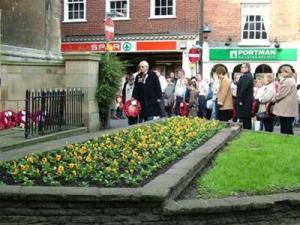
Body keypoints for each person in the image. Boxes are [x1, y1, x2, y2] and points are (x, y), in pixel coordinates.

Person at [272, 66, 298, 134]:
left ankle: (285, 140)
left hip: (285, 108)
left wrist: (274, 99)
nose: (281, 74)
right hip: (287, 108)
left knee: (285, 126)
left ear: (286, 72)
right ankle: (289, 139)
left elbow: (282, 94)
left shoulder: (288, 81)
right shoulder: (291, 80)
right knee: (288, 125)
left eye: (282, 72)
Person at [237, 63, 254, 129]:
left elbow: (243, 89)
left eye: (242, 67)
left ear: (247, 68)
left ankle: (247, 131)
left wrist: (241, 101)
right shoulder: (247, 76)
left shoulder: (246, 76)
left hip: (245, 102)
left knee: (246, 119)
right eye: (241, 67)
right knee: (246, 118)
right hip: (246, 101)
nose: (241, 68)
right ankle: (247, 130)